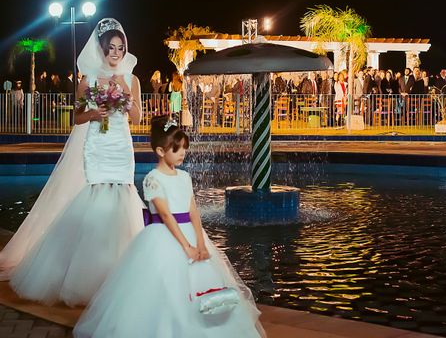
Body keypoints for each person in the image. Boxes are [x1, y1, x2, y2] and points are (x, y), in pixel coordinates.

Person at [74, 116, 265, 338]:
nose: (182, 153)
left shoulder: (184, 177)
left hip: (192, 234)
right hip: (165, 237)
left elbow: (193, 210)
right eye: (176, 149)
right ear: (160, 151)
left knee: (203, 286)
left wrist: (201, 242)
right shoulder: (153, 179)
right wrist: (186, 247)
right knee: (166, 288)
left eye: (184, 148)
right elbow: (165, 215)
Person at [4, 18, 144, 306]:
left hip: (121, 146)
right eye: (111, 48)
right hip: (97, 144)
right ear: (102, 49)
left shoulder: (132, 79)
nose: (116, 53)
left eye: (121, 48)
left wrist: (124, 93)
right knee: (96, 198)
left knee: (124, 197)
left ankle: (121, 271)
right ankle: (86, 275)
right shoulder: (88, 79)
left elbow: (138, 118)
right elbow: (78, 117)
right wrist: (96, 113)